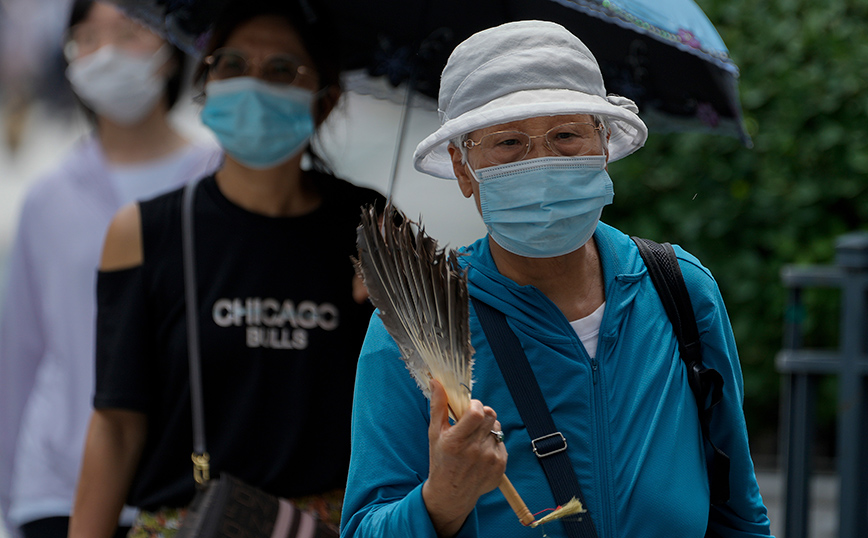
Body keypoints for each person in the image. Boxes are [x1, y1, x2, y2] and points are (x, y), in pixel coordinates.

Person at [341, 20, 774, 538]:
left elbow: (739, 511)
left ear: (604, 143)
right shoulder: (415, 324)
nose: (542, 163)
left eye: (566, 135)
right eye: (508, 143)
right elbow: (365, 526)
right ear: (462, 167)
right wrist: (442, 500)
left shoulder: (679, 288)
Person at [68, 1, 385, 537]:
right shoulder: (146, 232)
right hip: (188, 522)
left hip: (326, 526)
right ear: (206, 83)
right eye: (232, 65)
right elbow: (117, 423)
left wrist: (396, 299)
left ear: (325, 101)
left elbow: (422, 385)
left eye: (283, 70)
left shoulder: (371, 227)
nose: (253, 83)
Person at [0, 2, 220, 537]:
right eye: (88, 37)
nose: (107, 54)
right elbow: (19, 353)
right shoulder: (48, 196)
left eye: (129, 33)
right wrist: (8, 494)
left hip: (186, 486)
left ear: (174, 49)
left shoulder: (218, 179)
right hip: (57, 486)